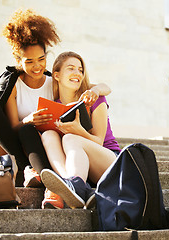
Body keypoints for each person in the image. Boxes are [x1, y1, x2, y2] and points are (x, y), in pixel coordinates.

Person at [0, 9, 110, 190]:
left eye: (41, 59)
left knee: (36, 133)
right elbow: (12, 128)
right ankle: (30, 170)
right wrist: (28, 120)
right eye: (29, 61)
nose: (37, 66)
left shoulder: (55, 82)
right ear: (18, 61)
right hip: (17, 146)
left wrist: (98, 90)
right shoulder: (13, 85)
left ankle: (50, 177)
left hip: (48, 147)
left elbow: (91, 87)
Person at [40, 51, 121, 209]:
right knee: (48, 134)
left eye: (80, 70)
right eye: (71, 68)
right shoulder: (55, 105)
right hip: (84, 168)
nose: (77, 73)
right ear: (56, 75)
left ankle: (75, 185)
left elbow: (99, 141)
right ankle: (68, 184)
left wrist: (78, 131)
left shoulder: (93, 98)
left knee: (70, 138)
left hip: (110, 161)